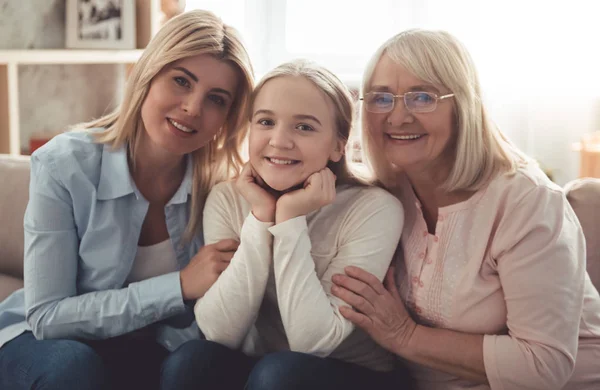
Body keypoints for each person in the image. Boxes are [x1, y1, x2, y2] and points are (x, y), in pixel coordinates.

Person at [330, 29, 600, 390]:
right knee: (285, 373)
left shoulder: (526, 200)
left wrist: (404, 335)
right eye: (381, 98)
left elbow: (543, 366)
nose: (397, 116)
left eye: (422, 96)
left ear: (463, 105)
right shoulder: (383, 191)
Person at [0, 9, 254, 390]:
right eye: (181, 81)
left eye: (216, 99)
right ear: (145, 74)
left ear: (228, 118)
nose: (193, 108)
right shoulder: (64, 165)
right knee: (73, 365)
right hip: (44, 344)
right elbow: (48, 317)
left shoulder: (222, 190)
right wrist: (179, 285)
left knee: (200, 362)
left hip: (149, 349)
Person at [184, 59, 410, 390]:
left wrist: (289, 219)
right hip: (260, 367)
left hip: (348, 371)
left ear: (338, 145)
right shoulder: (227, 198)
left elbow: (313, 342)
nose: (279, 141)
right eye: (265, 121)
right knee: (192, 361)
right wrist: (262, 216)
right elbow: (219, 333)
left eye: (304, 127)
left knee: (280, 373)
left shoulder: (375, 209)